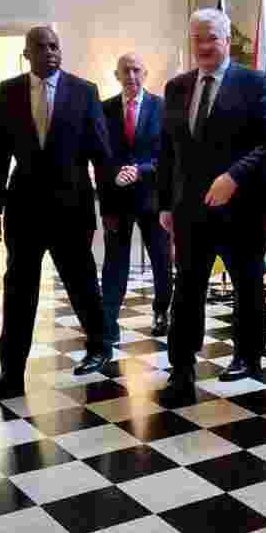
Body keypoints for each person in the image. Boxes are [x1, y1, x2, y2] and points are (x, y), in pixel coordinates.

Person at [158, 8, 266, 404]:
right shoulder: (176, 87)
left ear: (227, 40)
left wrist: (234, 177)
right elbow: (167, 151)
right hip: (190, 212)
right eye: (197, 38)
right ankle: (181, 368)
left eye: (211, 37)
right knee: (187, 290)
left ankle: (248, 356)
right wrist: (165, 204)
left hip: (241, 207)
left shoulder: (255, 82)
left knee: (247, 286)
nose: (203, 45)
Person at [0, 26, 115, 403]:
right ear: (27, 54)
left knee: (83, 284)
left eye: (55, 46)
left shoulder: (84, 91)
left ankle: (99, 347)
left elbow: (102, 155)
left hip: (72, 208)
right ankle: (11, 372)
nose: (50, 52)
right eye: (41, 47)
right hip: (23, 209)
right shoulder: (9, 91)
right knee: (18, 291)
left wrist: (108, 208)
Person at [99, 53, 172, 342]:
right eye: (125, 71)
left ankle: (162, 312)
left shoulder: (162, 107)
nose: (131, 76)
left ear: (145, 74)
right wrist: (112, 180)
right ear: (116, 75)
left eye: (136, 70)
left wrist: (141, 170)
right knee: (114, 264)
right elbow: (99, 156)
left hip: (154, 199)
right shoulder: (104, 109)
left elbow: (168, 156)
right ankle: (109, 321)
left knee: (161, 260)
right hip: (116, 200)